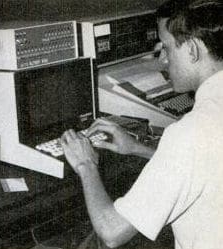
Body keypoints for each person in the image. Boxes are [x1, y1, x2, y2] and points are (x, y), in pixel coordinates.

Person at [60, 0, 223, 248]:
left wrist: (86, 164)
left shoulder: (189, 132)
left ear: (192, 50)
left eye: (167, 48)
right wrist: (139, 148)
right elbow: (207, 161)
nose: (163, 60)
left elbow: (112, 231)